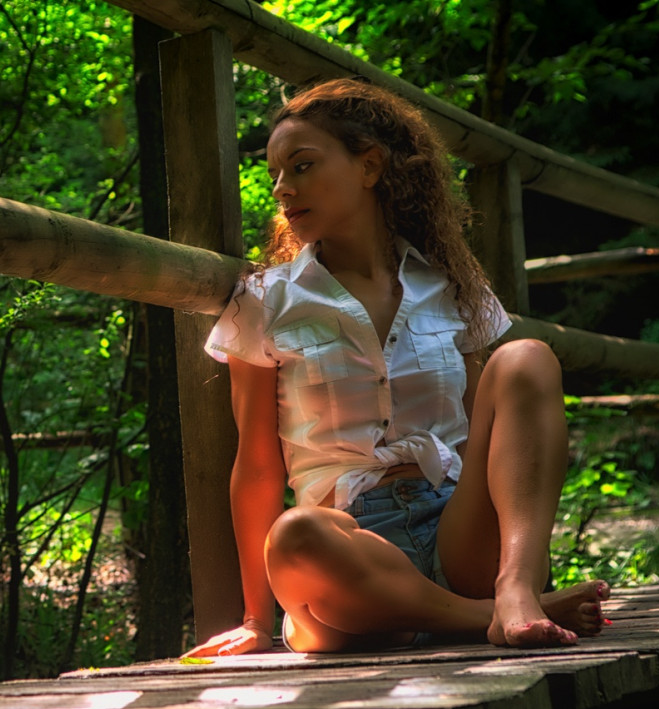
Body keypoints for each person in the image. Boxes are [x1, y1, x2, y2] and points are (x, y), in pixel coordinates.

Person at [187, 78, 609, 657]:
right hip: (347, 557)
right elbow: (257, 466)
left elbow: (497, 446)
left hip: (457, 531)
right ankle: (492, 615)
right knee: (297, 532)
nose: (283, 189)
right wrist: (256, 622)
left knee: (527, 358)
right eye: (276, 176)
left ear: (370, 166)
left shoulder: (451, 285)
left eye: (302, 166)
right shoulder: (264, 300)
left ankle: (515, 589)